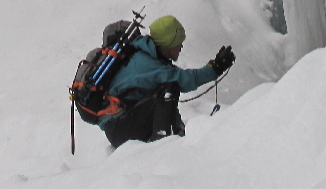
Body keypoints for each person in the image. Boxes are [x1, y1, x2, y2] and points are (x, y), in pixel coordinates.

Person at [99, 15, 235, 148]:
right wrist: (215, 68)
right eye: (178, 42)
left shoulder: (147, 56)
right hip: (119, 129)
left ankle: (174, 134)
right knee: (169, 89)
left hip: (120, 125)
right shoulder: (148, 64)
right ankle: (163, 144)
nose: (181, 46)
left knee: (166, 89)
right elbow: (185, 80)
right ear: (168, 43)